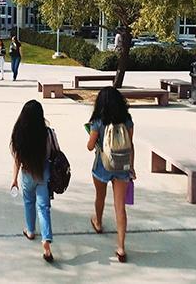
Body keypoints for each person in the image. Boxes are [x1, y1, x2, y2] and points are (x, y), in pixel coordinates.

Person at [87, 86, 135, 263]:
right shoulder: (127, 120)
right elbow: (131, 145)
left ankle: (98, 222)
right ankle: (121, 247)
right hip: (122, 167)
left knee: (100, 196)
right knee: (120, 207)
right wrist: (132, 167)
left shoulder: (98, 121)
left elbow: (90, 146)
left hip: (102, 165)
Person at [10, 100, 58, 262]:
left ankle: (30, 230)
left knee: (29, 202)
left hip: (27, 173)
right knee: (44, 208)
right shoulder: (48, 133)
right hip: (43, 173)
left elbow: (17, 158)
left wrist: (14, 179)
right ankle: (46, 241)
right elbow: (55, 152)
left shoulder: (20, 134)